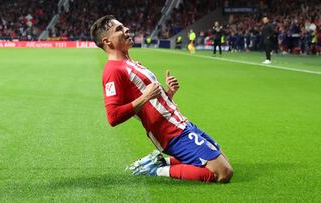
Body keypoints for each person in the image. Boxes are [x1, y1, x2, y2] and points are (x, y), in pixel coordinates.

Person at [90, 15, 233, 183]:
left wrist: (169, 93)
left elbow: (153, 100)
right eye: (119, 29)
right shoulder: (113, 71)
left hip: (180, 122)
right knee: (223, 173)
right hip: (170, 132)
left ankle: (159, 161)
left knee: (224, 160)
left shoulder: (132, 63)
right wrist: (146, 96)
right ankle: (157, 170)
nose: (126, 29)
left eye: (124, 26)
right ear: (107, 42)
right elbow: (112, 116)